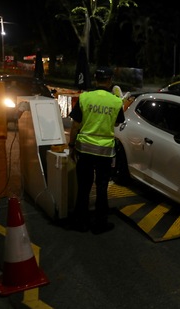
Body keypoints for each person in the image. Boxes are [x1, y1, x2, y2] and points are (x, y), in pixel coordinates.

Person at [68, 67, 125, 234]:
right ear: (110, 81)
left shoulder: (85, 97)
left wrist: (71, 145)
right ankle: (100, 223)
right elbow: (116, 123)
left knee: (84, 187)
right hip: (105, 152)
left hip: (84, 149)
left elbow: (75, 125)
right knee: (101, 187)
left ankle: (81, 222)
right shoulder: (116, 101)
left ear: (95, 79)